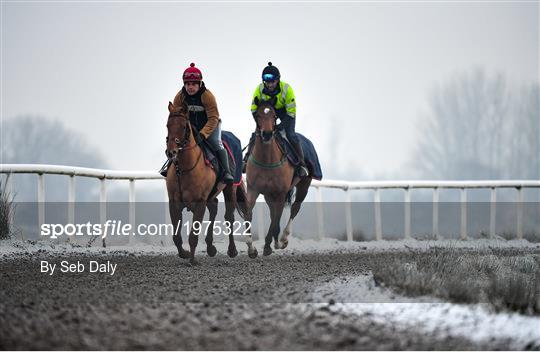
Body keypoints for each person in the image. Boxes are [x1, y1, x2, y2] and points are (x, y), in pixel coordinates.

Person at [159, 63, 233, 184]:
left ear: (199, 84)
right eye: (188, 84)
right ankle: (169, 166)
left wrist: (203, 134)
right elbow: (176, 117)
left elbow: (213, 118)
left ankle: (226, 171)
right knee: (176, 144)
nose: (190, 87)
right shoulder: (180, 96)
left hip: (210, 125)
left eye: (193, 84)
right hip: (189, 127)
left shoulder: (207, 96)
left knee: (216, 143)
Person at [244, 62, 308, 177]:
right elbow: (254, 109)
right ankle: (246, 160)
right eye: (267, 82)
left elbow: (291, 113)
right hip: (266, 115)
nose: (270, 85)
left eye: (272, 82)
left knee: (290, 135)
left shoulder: (287, 89)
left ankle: (302, 164)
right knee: (256, 134)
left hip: (286, 114)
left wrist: (279, 127)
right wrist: (261, 124)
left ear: (278, 80)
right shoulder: (259, 89)